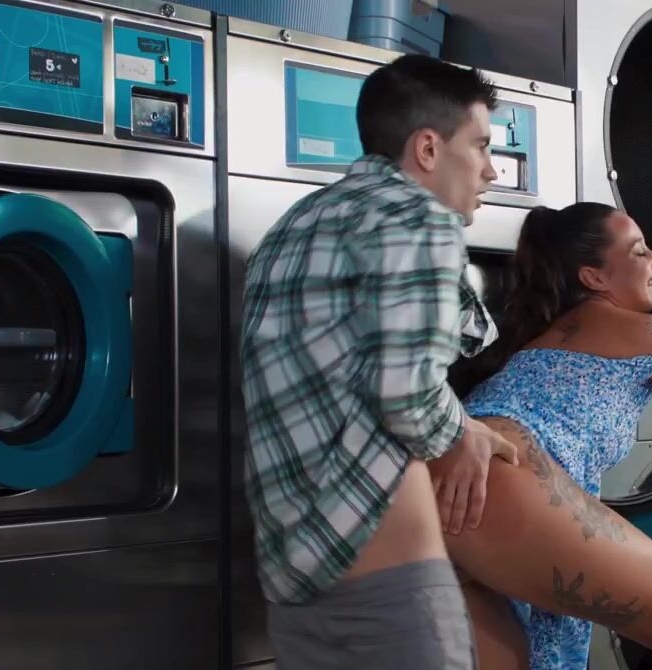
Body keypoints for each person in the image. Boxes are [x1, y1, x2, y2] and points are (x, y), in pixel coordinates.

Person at [239, 54, 522, 670]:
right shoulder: (419, 217)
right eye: (480, 146)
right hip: (389, 586)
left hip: (295, 582)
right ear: (428, 148)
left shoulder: (292, 227)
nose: (492, 170)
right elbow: (406, 393)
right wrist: (461, 437)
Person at [433, 202, 652, 670]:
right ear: (594, 278)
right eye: (639, 251)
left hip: (447, 480)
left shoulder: (541, 339)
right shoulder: (648, 331)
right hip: (504, 472)